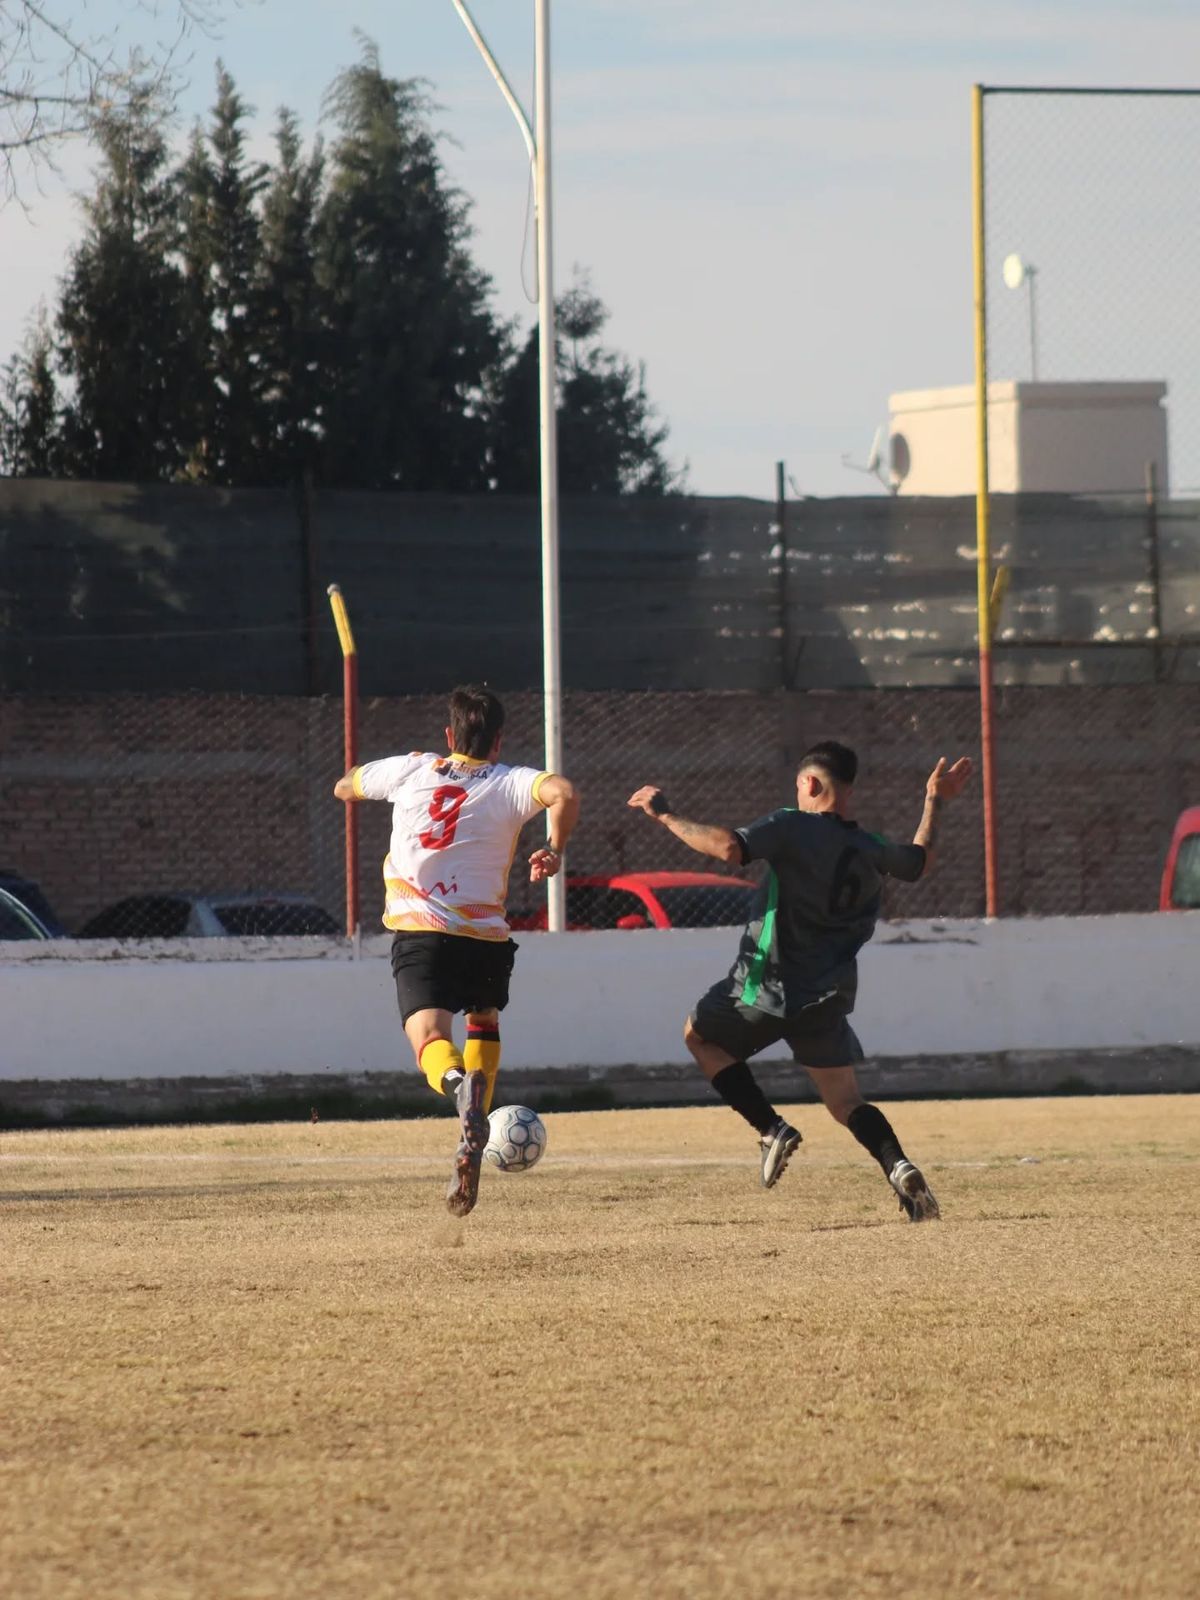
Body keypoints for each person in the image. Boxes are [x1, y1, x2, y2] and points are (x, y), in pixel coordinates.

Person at [627, 741, 972, 1221]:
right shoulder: (868, 846)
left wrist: (665, 814)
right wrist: (934, 799)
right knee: (847, 1100)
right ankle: (900, 1168)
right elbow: (919, 862)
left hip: (766, 983)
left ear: (809, 784)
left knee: (699, 1035)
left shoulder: (792, 824)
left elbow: (729, 847)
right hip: (826, 994)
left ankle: (771, 1129)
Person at [335, 685, 579, 1217]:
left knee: (427, 1037)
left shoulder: (412, 770)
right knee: (484, 1020)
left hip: (421, 932)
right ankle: (475, 1123)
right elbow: (564, 792)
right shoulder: (512, 781)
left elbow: (344, 787)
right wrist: (554, 849)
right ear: (498, 741)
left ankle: (457, 1092)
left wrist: (370, 783)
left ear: (449, 736)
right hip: (486, 935)